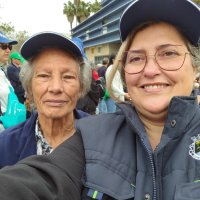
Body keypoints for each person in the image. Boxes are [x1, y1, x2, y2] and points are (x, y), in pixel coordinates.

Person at [0, 1, 199, 200]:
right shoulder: (93, 135)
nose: (150, 70)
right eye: (137, 58)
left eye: (169, 53)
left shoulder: (84, 127)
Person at [0, 31, 91, 168]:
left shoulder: (100, 138)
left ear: (81, 86)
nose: (55, 88)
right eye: (44, 76)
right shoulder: (5, 145)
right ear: (30, 87)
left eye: (68, 77)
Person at [0, 32, 18, 132]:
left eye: (9, 47)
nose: (8, 50)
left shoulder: (2, 71)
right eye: (3, 46)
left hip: (8, 128)